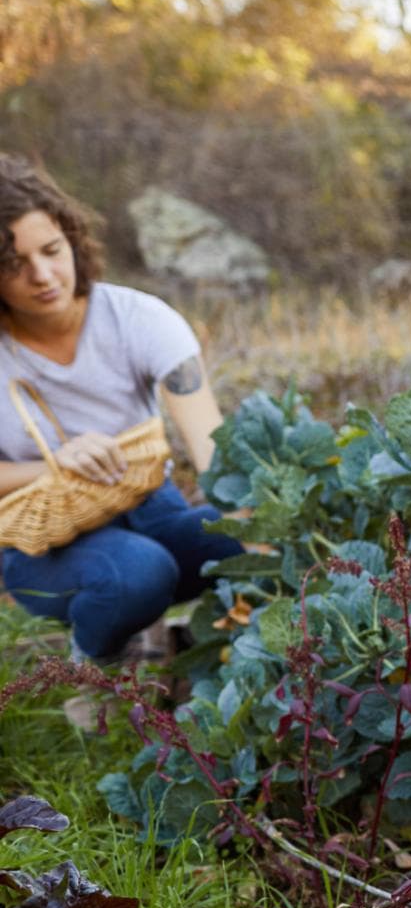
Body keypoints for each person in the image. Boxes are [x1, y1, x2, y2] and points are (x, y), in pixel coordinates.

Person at [0, 155, 243, 683]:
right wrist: (55, 464)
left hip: (152, 508)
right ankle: (92, 673)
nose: (43, 275)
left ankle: (226, 661)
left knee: (244, 536)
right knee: (137, 572)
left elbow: (211, 448)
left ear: (71, 239)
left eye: (51, 250)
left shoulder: (138, 319)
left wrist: (255, 520)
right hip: (45, 542)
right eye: (13, 263)